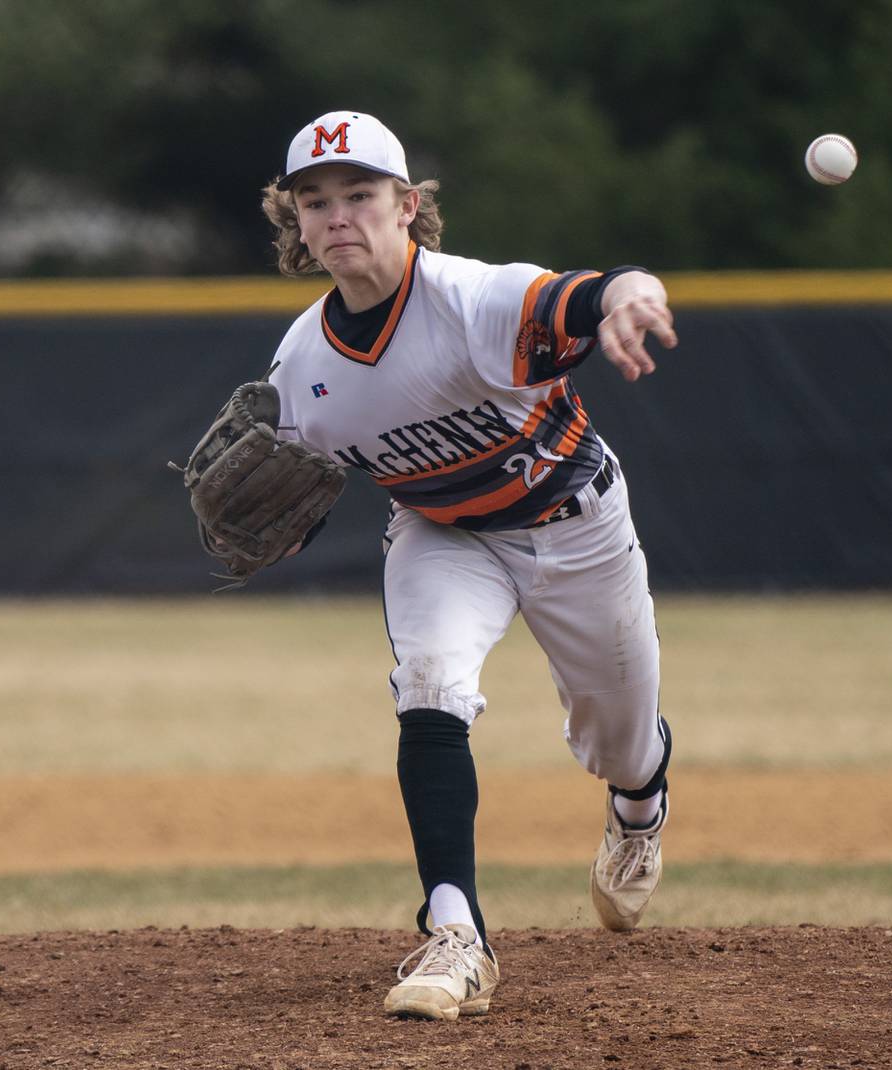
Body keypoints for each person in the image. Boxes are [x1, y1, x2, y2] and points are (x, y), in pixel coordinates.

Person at [260, 110, 677, 1022]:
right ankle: (456, 933)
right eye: (314, 201)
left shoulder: (471, 299)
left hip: (577, 529)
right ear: (294, 220)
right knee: (431, 683)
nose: (338, 217)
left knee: (622, 739)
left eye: (360, 196)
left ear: (407, 206)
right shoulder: (299, 364)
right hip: (443, 537)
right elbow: (291, 484)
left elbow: (591, 290)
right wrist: (278, 528)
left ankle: (639, 810)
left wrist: (632, 298)